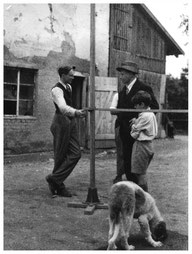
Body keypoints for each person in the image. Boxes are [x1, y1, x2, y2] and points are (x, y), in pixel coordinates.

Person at [46, 66, 86, 197]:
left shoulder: (69, 87)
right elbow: (62, 108)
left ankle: (54, 178)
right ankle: (59, 185)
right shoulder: (57, 89)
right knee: (60, 154)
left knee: (76, 153)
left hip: (70, 121)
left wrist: (74, 115)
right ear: (63, 75)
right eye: (70, 75)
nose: (73, 78)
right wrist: (76, 112)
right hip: (61, 121)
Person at [116, 61, 159, 183]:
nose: (121, 77)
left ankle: (139, 193)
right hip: (125, 133)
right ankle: (132, 191)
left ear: (131, 74)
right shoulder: (123, 91)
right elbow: (120, 110)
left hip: (138, 136)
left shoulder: (143, 88)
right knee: (127, 164)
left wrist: (141, 121)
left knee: (136, 167)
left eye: (123, 74)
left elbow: (154, 107)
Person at [130, 90, 158, 192]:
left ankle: (144, 198)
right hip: (149, 145)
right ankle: (144, 196)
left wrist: (133, 125)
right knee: (141, 172)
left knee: (140, 174)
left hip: (142, 145)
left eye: (136, 105)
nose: (135, 108)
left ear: (141, 104)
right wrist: (136, 122)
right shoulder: (150, 113)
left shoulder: (144, 116)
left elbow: (134, 134)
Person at [110, 92, 125, 183]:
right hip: (121, 124)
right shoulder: (118, 95)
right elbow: (112, 110)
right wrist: (126, 111)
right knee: (120, 151)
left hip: (135, 124)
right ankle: (119, 174)